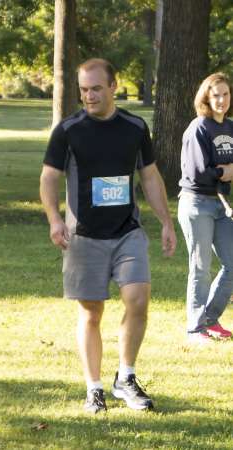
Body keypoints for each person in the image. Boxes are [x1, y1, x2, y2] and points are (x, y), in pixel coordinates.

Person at [39, 58, 176, 413]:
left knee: (138, 300)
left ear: (114, 86)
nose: (89, 96)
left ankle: (126, 378)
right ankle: (94, 388)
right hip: (82, 235)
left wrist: (165, 221)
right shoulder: (68, 130)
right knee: (91, 312)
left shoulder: (134, 127)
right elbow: (49, 178)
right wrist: (55, 219)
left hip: (127, 231)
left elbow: (149, 176)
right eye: (83, 90)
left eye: (96, 88)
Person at [178, 72, 233, 343]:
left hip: (222, 206)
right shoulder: (199, 128)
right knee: (201, 267)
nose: (221, 100)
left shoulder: (230, 128)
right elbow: (199, 172)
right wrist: (226, 171)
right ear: (206, 98)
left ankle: (209, 319)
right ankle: (195, 328)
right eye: (216, 95)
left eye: (225, 94)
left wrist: (225, 172)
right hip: (197, 203)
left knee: (232, 264)